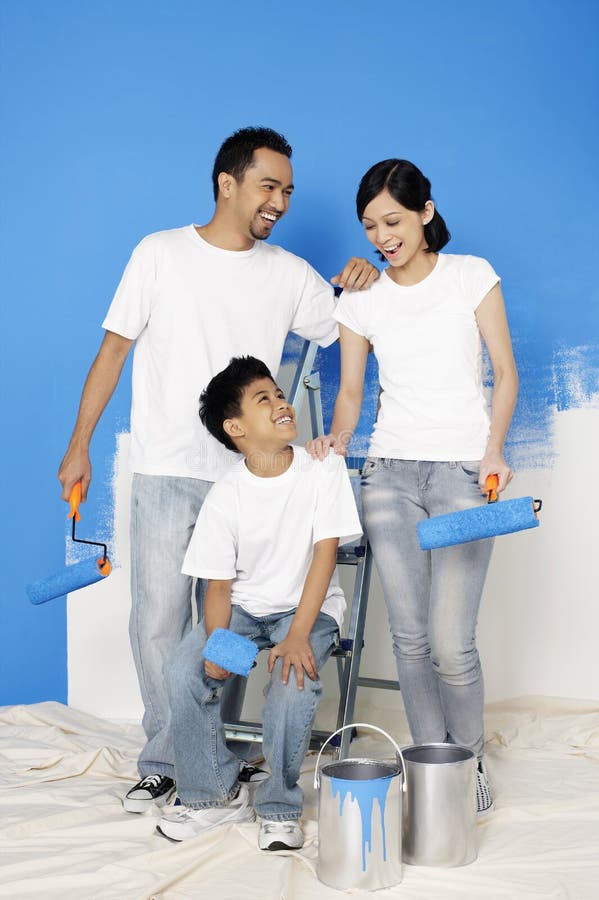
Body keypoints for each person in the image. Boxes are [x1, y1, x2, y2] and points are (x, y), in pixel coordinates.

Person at [57, 127, 377, 813]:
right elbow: (112, 352)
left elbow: (358, 328)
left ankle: (207, 755)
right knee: (157, 622)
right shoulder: (159, 253)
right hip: (168, 465)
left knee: (227, 620)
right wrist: (79, 443)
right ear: (228, 183)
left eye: (288, 190)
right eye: (270, 185)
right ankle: (167, 759)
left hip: (252, 477)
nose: (281, 202)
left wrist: (364, 279)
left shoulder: (289, 274)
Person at [308, 158, 518, 816]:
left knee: (452, 640)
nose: (383, 236)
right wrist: (332, 444)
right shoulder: (360, 298)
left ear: (426, 211)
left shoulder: (470, 276)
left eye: (394, 220)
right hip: (388, 476)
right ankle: (434, 768)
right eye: (371, 226)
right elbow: (348, 393)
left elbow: (505, 373)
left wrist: (493, 452)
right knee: (409, 638)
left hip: (461, 470)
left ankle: (471, 758)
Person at [155, 356, 361, 850]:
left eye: (279, 394)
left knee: (292, 681)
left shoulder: (322, 466)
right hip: (243, 610)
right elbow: (219, 589)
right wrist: (221, 648)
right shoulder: (226, 495)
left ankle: (279, 805)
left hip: (305, 610)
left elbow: (324, 556)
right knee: (186, 669)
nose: (281, 404)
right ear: (235, 428)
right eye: (263, 399)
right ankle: (214, 796)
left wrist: (296, 635)